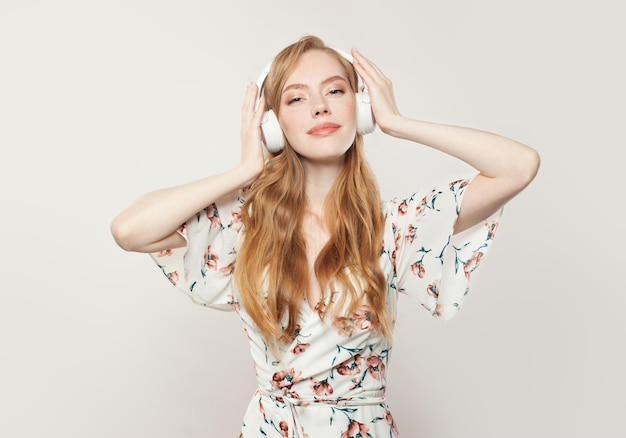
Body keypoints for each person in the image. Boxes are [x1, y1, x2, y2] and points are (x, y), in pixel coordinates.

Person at [111, 35, 539, 438]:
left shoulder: (394, 227)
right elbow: (129, 230)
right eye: (297, 98)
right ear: (274, 125)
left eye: (335, 91)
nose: (319, 107)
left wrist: (398, 122)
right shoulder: (245, 228)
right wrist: (244, 171)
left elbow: (519, 165)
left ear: (362, 108)